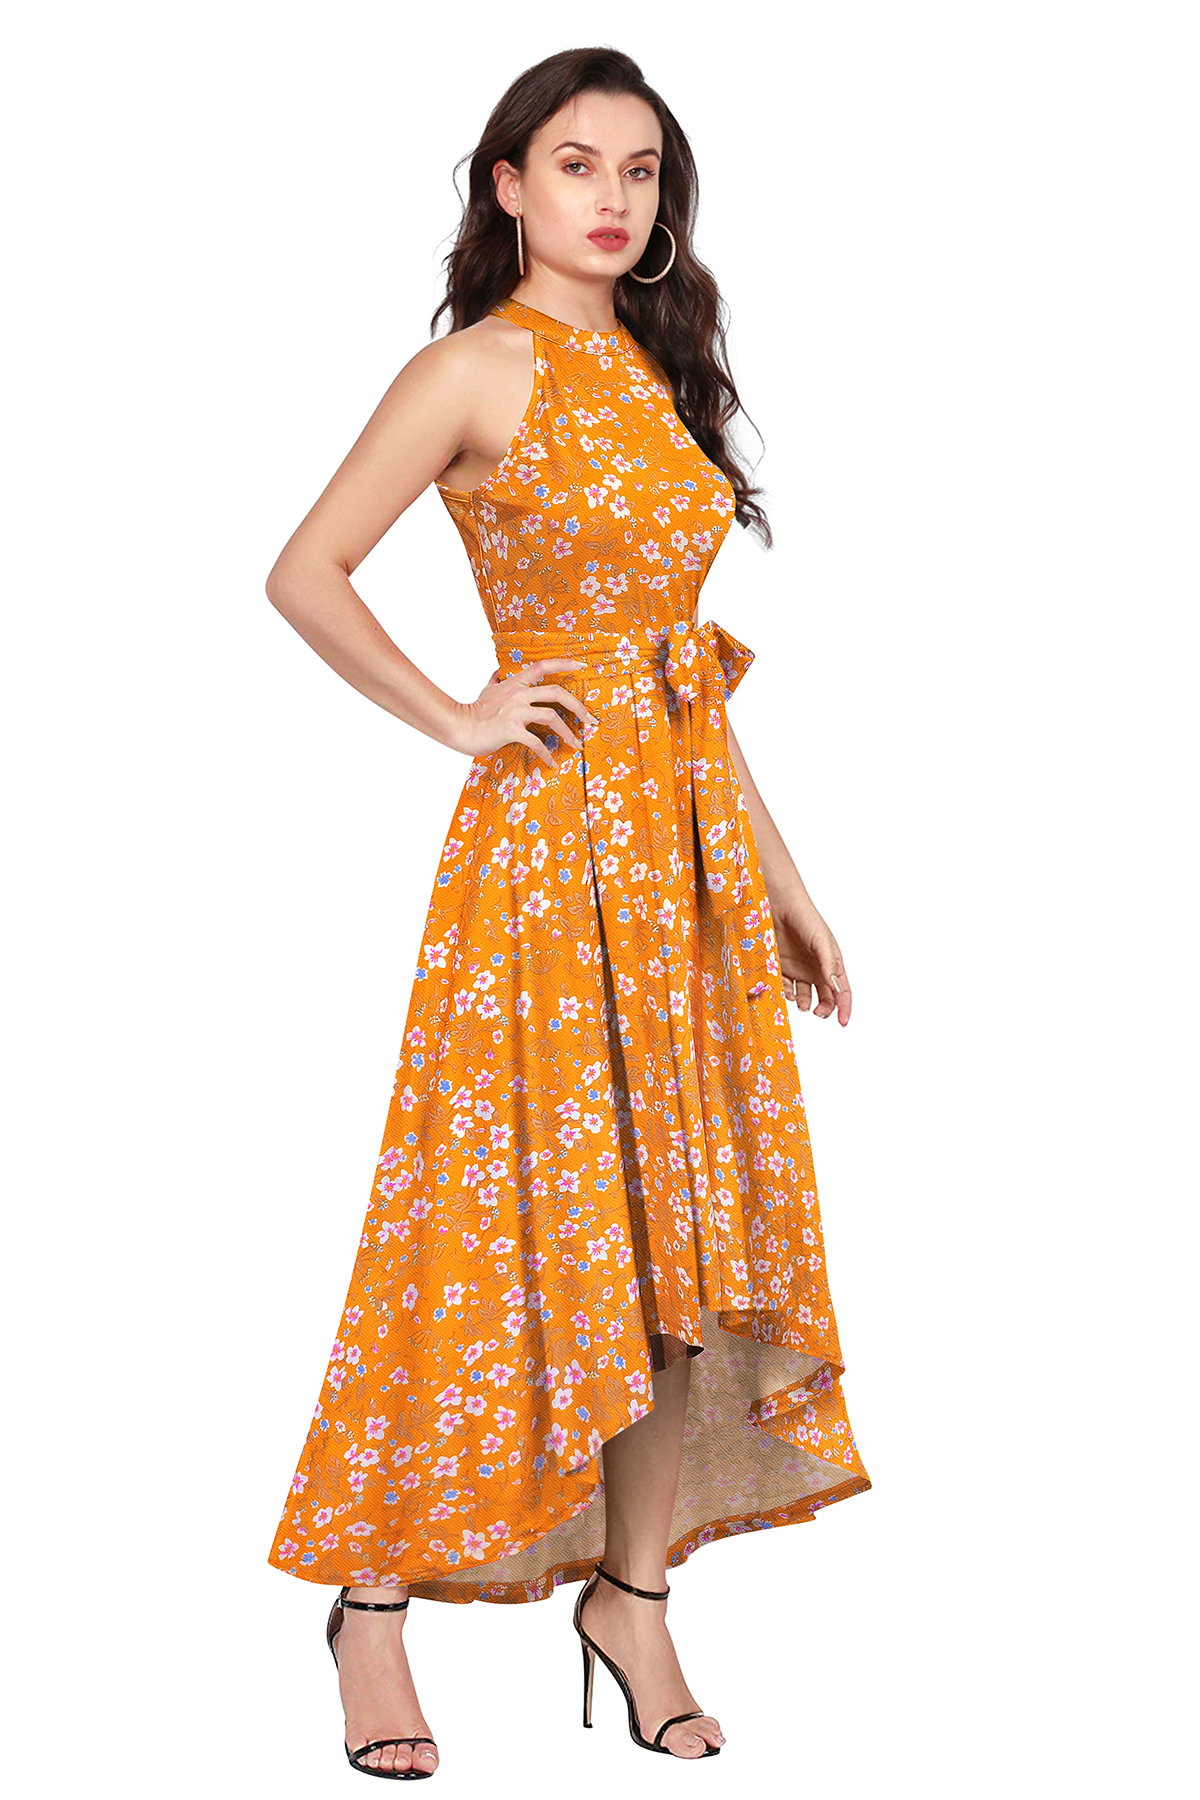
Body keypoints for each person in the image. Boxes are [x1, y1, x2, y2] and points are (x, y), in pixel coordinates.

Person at [264, 45, 871, 1780]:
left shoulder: (657, 374)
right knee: (490, 1221)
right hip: (543, 864)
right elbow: (304, 570)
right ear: (509, 185)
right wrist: (460, 713)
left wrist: (786, 886)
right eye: (578, 162)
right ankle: (369, 1607)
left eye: (642, 169)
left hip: (684, 862)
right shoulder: (473, 366)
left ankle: (633, 1598)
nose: (613, 196)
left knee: (677, 1235)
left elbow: (686, 680)